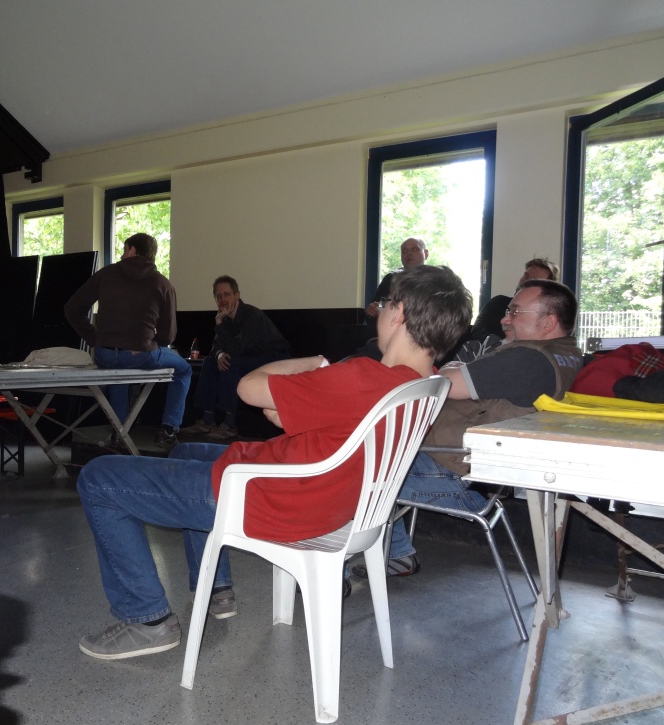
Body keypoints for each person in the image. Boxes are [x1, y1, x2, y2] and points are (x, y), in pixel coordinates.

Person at [75, 265, 472, 660]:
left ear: (399, 313)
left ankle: (146, 620)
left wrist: (313, 363)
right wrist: (305, 397)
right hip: (323, 494)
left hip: (272, 496)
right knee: (185, 452)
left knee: (98, 477)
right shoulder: (427, 385)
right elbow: (302, 420)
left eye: (385, 304)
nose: (380, 311)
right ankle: (216, 588)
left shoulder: (363, 377)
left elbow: (248, 388)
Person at [358, 278, 583, 579]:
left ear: (548, 322)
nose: (504, 319)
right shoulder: (566, 355)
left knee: (355, 472)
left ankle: (334, 573)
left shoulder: (526, 359)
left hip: (455, 471)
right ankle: (396, 554)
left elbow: (444, 383)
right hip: (485, 471)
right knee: (372, 457)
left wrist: (453, 370)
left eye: (515, 312)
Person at [64, 233, 192, 449]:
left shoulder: (106, 274)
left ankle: (119, 430)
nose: (122, 255)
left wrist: (95, 339)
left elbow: (72, 309)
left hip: (104, 354)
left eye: (124, 250)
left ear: (132, 250)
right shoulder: (163, 283)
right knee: (184, 370)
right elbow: (168, 336)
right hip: (141, 354)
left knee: (118, 371)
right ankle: (169, 430)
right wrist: (149, 342)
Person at [181, 276, 290, 440]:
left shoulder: (252, 315)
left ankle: (229, 424)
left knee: (231, 363)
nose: (222, 300)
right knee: (210, 362)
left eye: (226, 294)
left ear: (237, 295)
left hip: (272, 358)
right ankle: (207, 420)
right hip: (245, 357)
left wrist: (220, 325)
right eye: (218, 296)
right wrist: (219, 354)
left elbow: (239, 349)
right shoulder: (224, 318)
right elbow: (216, 347)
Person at [468, 257, 560, 342]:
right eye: (526, 276)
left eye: (534, 280)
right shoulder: (498, 303)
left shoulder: (544, 319)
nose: (526, 282)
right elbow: (477, 334)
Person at [364, 237, 428, 320]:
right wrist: (373, 309)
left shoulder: (436, 280)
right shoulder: (391, 279)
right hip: (394, 325)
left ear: (426, 253)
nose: (409, 253)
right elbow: (382, 304)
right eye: (404, 251)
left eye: (415, 249)